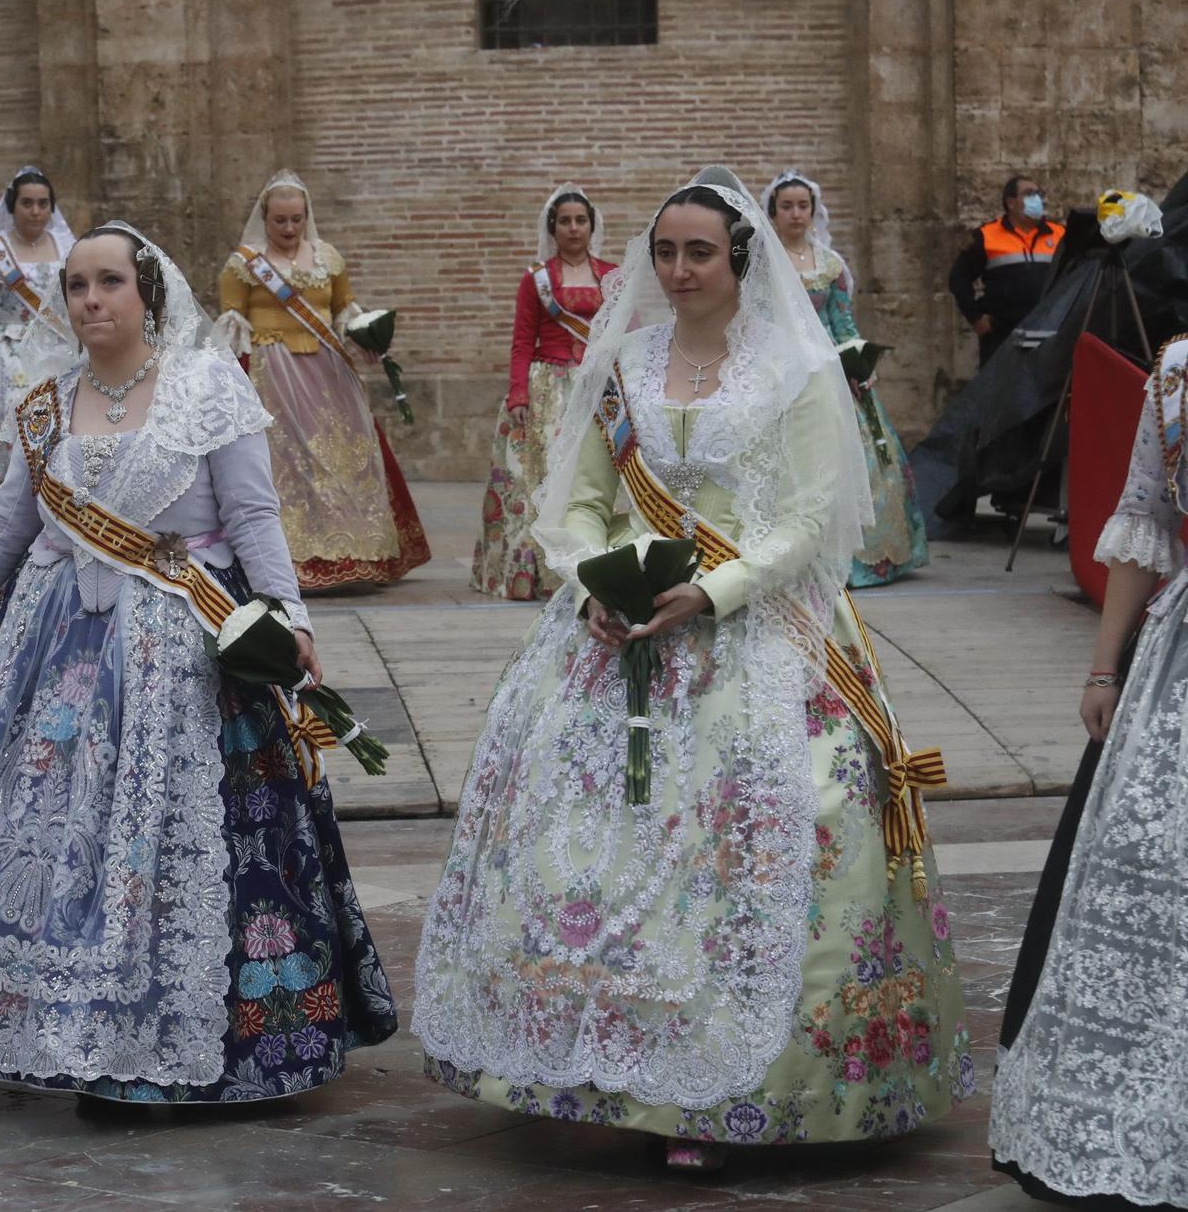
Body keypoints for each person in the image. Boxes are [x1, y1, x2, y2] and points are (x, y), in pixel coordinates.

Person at [414, 169, 970, 1169]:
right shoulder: (623, 362)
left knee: (742, 853)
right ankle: (597, 1062)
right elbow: (575, 500)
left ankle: (725, 1092)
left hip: (755, 641)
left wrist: (711, 593)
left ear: (738, 260)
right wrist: (592, 579)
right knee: (591, 850)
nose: (676, 270)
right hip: (617, 635)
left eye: (697, 252)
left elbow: (806, 522)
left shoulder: (791, 371)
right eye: (663, 251)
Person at [0, 221, 397, 1103]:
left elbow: (253, 515)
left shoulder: (207, 387)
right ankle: (51, 1022)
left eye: (110, 283)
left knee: (170, 840)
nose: (91, 299)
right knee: (48, 836)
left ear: (148, 292)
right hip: (51, 651)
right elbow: (8, 526)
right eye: (79, 285)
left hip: (185, 649)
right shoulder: (46, 402)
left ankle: (185, 1033)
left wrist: (288, 616)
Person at [988, 332, 1187, 1209]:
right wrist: (1104, 667)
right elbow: (1144, 524)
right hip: (1177, 675)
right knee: (1143, 878)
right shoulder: (1180, 373)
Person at [215, 171, 429, 589]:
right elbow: (231, 324)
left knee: (342, 458)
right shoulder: (243, 265)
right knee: (288, 465)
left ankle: (354, 552)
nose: (289, 228)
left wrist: (368, 337)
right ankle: (292, 558)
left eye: (296, 219)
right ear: (265, 217)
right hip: (272, 373)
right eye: (280, 220)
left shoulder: (328, 258)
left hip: (329, 373)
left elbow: (345, 307)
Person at [764, 170, 928, 586]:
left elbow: (842, 322)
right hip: (781, 372)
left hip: (830, 373)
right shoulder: (764, 262)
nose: (796, 214)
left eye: (804, 206)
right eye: (787, 206)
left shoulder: (830, 263)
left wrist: (859, 362)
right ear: (773, 212)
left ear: (814, 211)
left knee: (868, 459)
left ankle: (870, 559)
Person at [471, 183, 617, 599]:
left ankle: (596, 562)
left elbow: (625, 334)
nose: (573, 228)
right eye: (565, 221)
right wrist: (518, 395)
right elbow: (521, 341)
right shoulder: (536, 279)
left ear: (592, 225)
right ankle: (530, 574)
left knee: (593, 474)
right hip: (547, 388)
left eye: (580, 220)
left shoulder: (611, 276)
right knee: (540, 477)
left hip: (594, 386)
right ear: (553, 228)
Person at [0, 166, 78, 495]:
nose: (36, 211)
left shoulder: (69, 249)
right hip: (7, 360)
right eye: (27, 203)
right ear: (12, 206)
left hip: (59, 357)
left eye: (43, 203)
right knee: (8, 440)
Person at [949, 175, 1064, 365]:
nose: (1036, 198)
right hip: (1002, 336)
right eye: (1029, 194)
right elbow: (958, 278)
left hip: (1048, 333)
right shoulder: (987, 236)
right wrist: (976, 318)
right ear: (1011, 203)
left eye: (1038, 193)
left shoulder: (1060, 235)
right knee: (1001, 391)